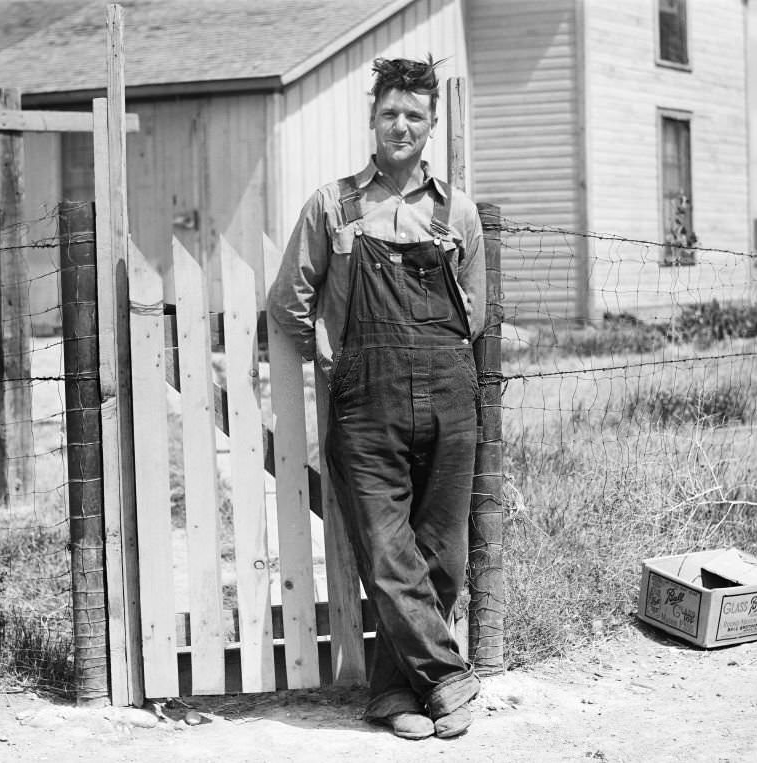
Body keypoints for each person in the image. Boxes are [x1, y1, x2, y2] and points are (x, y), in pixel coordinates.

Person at [267, 55, 486, 740]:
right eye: (389, 112)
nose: (401, 125)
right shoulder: (332, 205)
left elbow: (475, 312)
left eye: (414, 115)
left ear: (431, 125)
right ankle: (448, 678)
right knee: (388, 552)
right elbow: (288, 301)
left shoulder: (458, 212)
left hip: (448, 394)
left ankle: (394, 694)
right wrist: (332, 355)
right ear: (372, 120)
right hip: (365, 403)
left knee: (442, 555)